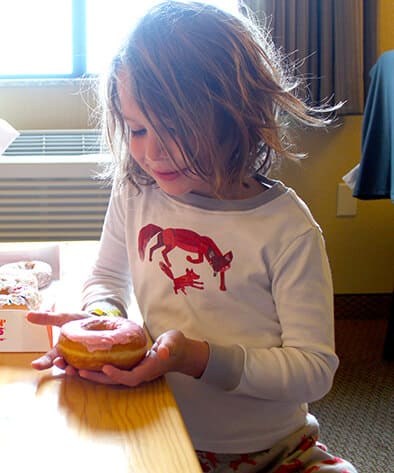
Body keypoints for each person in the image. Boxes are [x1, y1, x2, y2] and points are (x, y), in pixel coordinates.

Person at [26, 2, 357, 472]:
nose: (151, 152)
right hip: (156, 429)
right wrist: (102, 321)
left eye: (175, 129)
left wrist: (197, 358)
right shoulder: (136, 192)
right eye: (137, 129)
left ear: (235, 115)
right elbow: (105, 276)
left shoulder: (287, 229)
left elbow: (313, 371)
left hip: (276, 452)